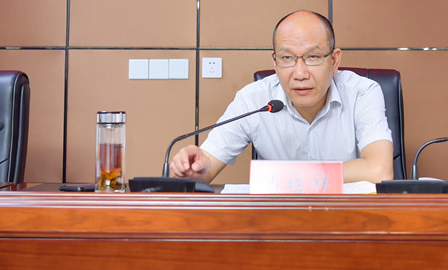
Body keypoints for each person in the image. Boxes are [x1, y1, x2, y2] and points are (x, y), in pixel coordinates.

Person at [169, 10, 394, 184]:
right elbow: (206, 167)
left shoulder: (362, 93)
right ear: (274, 62)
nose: (300, 74)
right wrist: (190, 170)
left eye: (313, 57)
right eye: (287, 58)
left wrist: (289, 175)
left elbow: (379, 171)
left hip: (349, 218)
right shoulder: (253, 100)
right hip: (278, 220)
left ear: (334, 61)